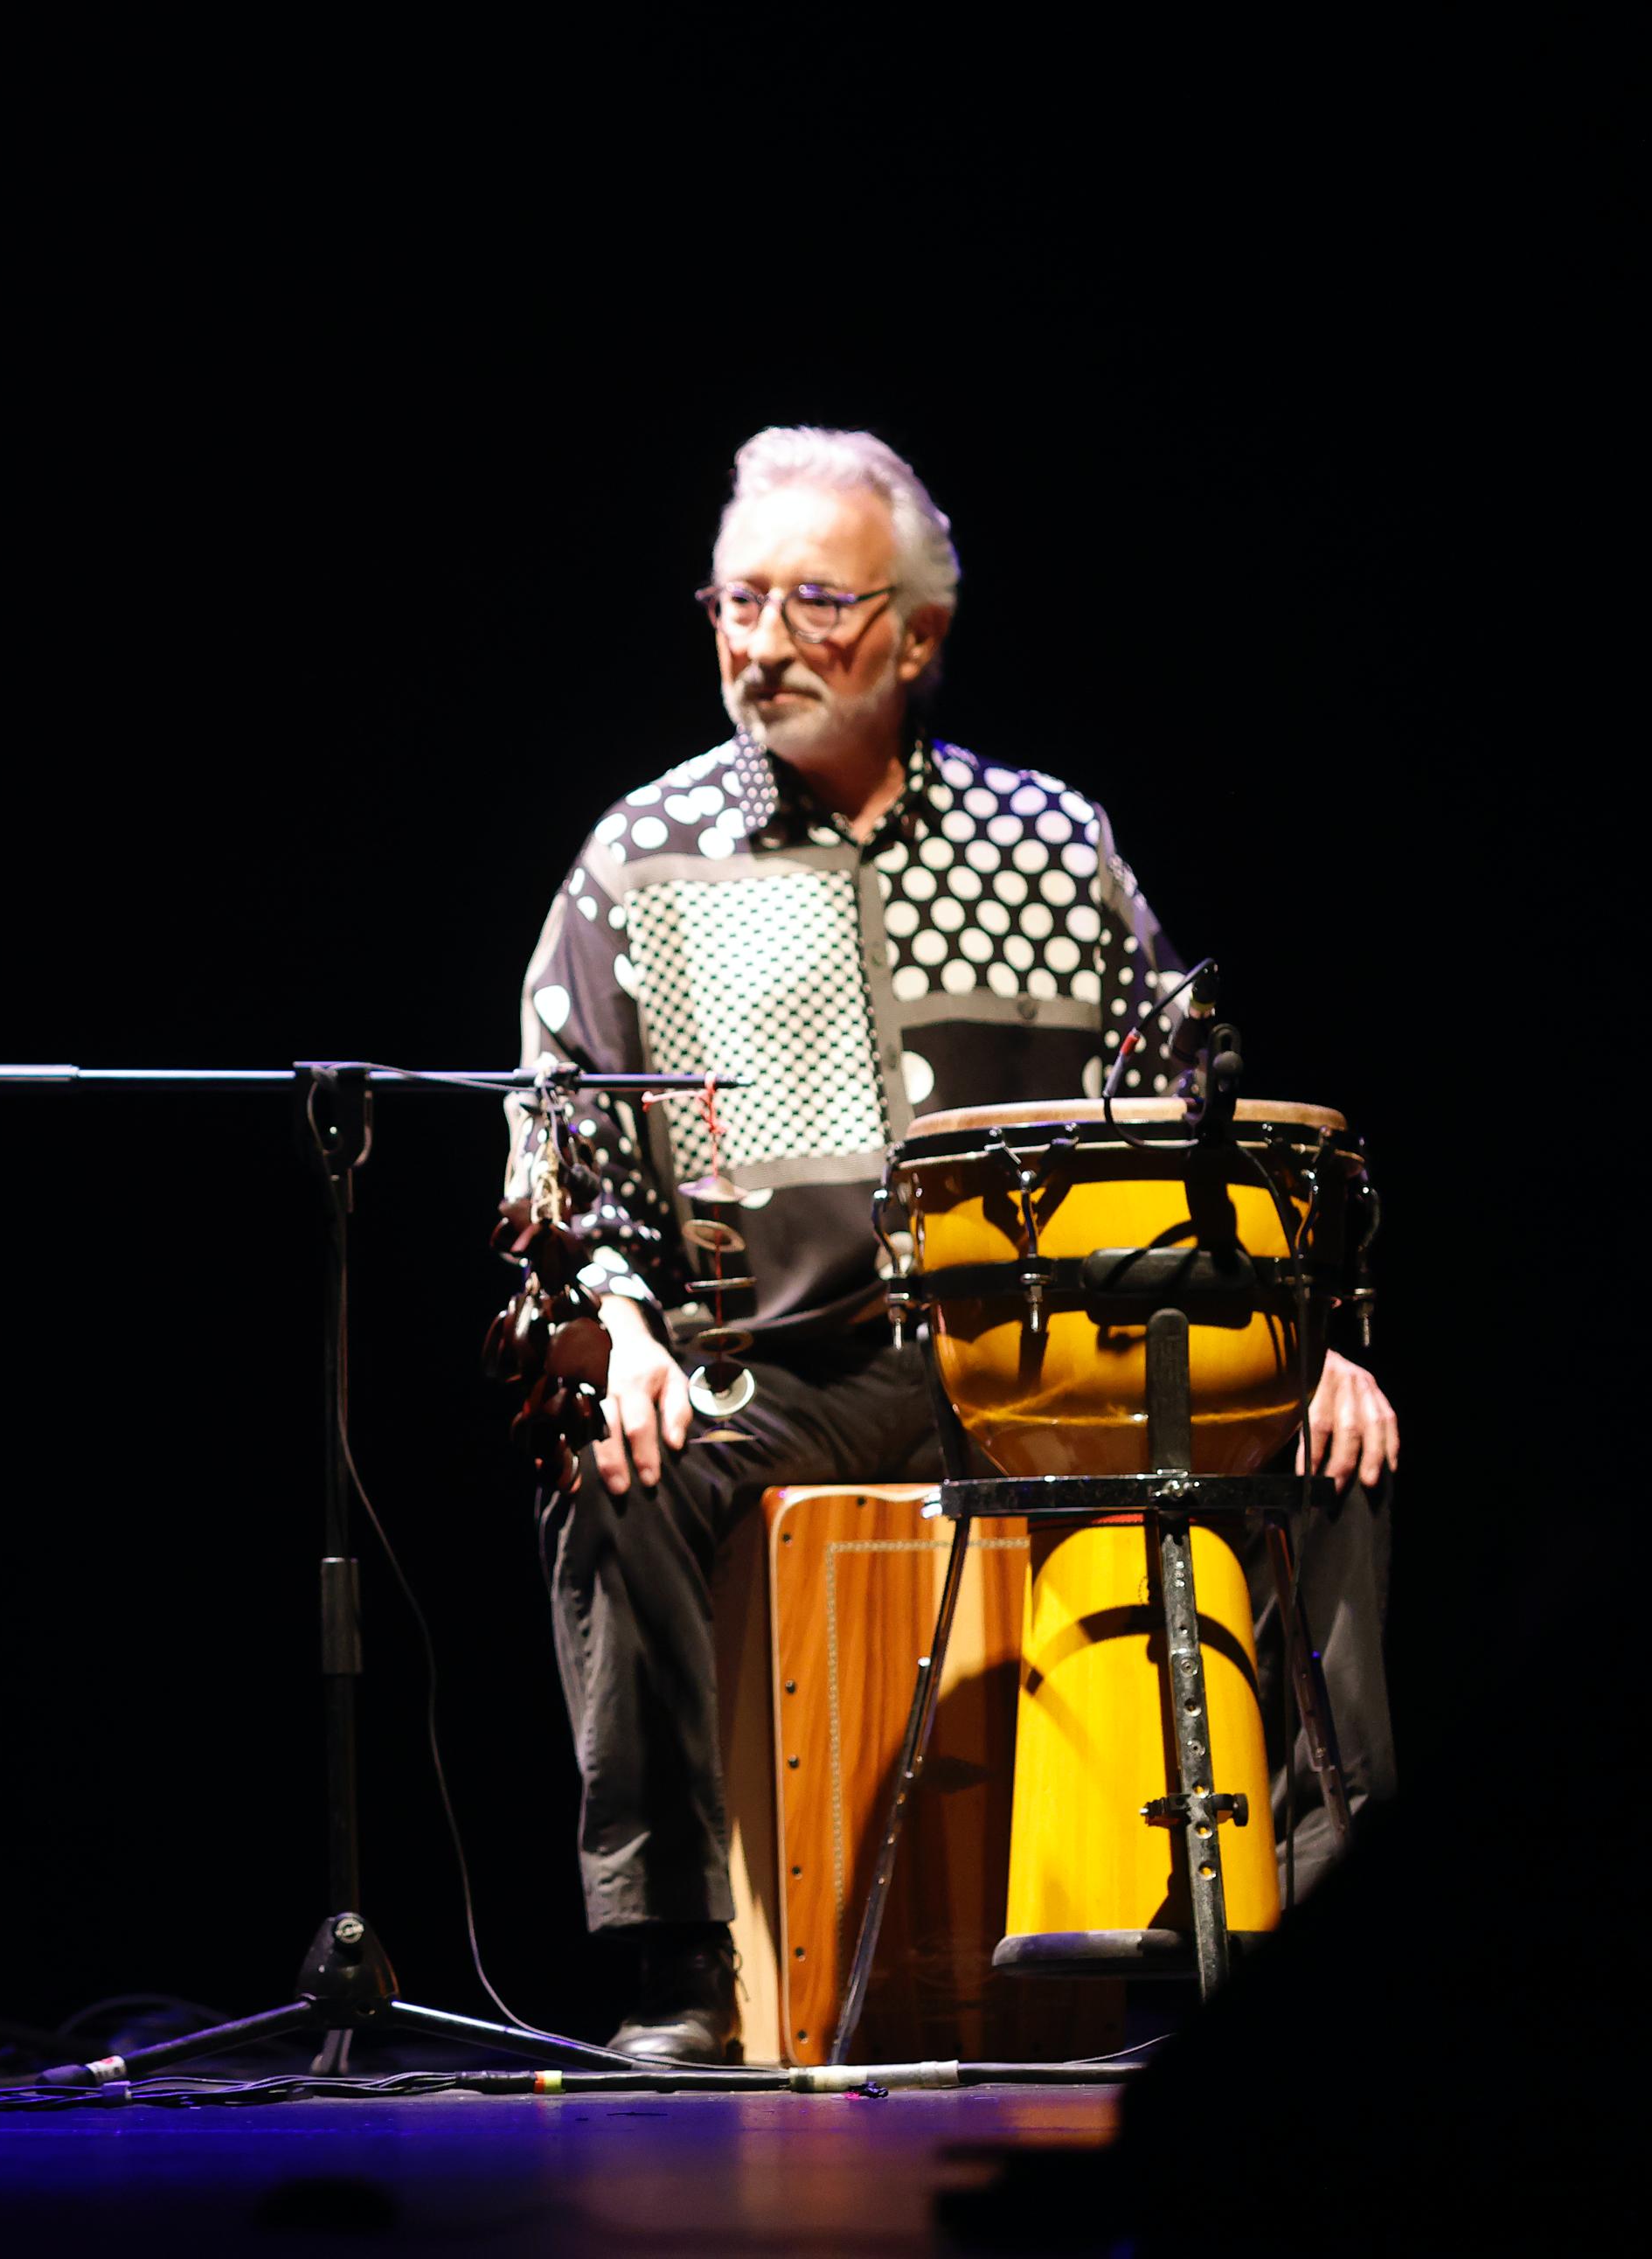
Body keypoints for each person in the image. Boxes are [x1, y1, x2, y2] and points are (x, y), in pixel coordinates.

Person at [505, 427, 1401, 2063]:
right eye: (736, 601)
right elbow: (568, 1153)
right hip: (800, 1369)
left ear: (914, 638)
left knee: (1327, 1432)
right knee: (617, 1456)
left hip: (1051, 1359)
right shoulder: (642, 858)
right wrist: (618, 1332)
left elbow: (1192, 1118)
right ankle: (680, 1971)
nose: (762, 643)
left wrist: (1315, 1336)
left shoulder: (1055, 844)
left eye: (813, 606)